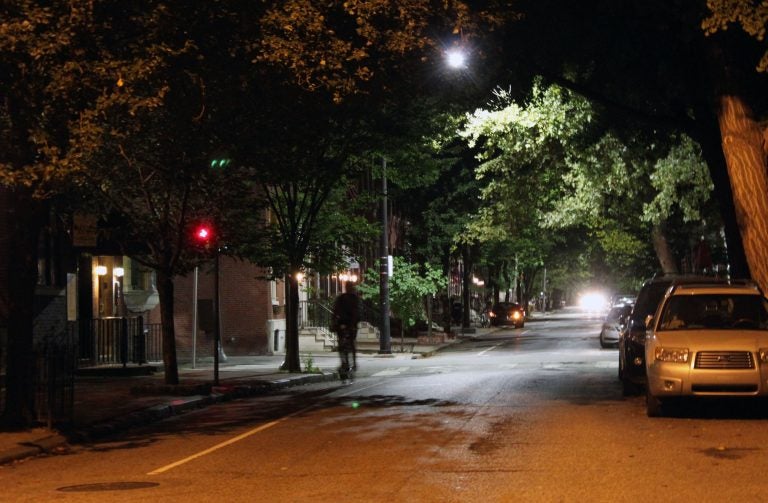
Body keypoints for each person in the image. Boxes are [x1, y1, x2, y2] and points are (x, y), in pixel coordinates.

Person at [331, 285, 360, 383]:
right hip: (349, 325)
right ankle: (353, 363)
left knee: (342, 346)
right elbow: (357, 313)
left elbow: (335, 311)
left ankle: (345, 363)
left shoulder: (341, 298)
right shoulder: (354, 298)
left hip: (342, 324)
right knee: (351, 344)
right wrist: (354, 324)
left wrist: (334, 322)